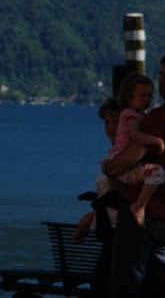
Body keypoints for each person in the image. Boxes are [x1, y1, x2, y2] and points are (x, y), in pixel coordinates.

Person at [105, 53, 165, 297]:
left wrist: (109, 169)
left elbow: (131, 156)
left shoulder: (164, 115)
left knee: (126, 284)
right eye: (161, 73)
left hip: (147, 213)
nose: (163, 79)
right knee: (160, 286)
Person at [72, 96, 122, 298]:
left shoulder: (127, 155)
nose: (110, 127)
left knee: (101, 283)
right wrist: (91, 216)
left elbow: (121, 195)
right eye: (107, 122)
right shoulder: (111, 155)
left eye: (116, 122)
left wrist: (91, 216)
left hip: (120, 230)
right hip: (109, 229)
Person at [108, 73, 165, 229]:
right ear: (128, 97)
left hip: (123, 162)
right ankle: (139, 205)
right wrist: (158, 141)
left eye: (150, 95)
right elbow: (135, 135)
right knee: (158, 173)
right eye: (142, 95)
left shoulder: (138, 115)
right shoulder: (130, 115)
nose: (147, 99)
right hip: (122, 162)